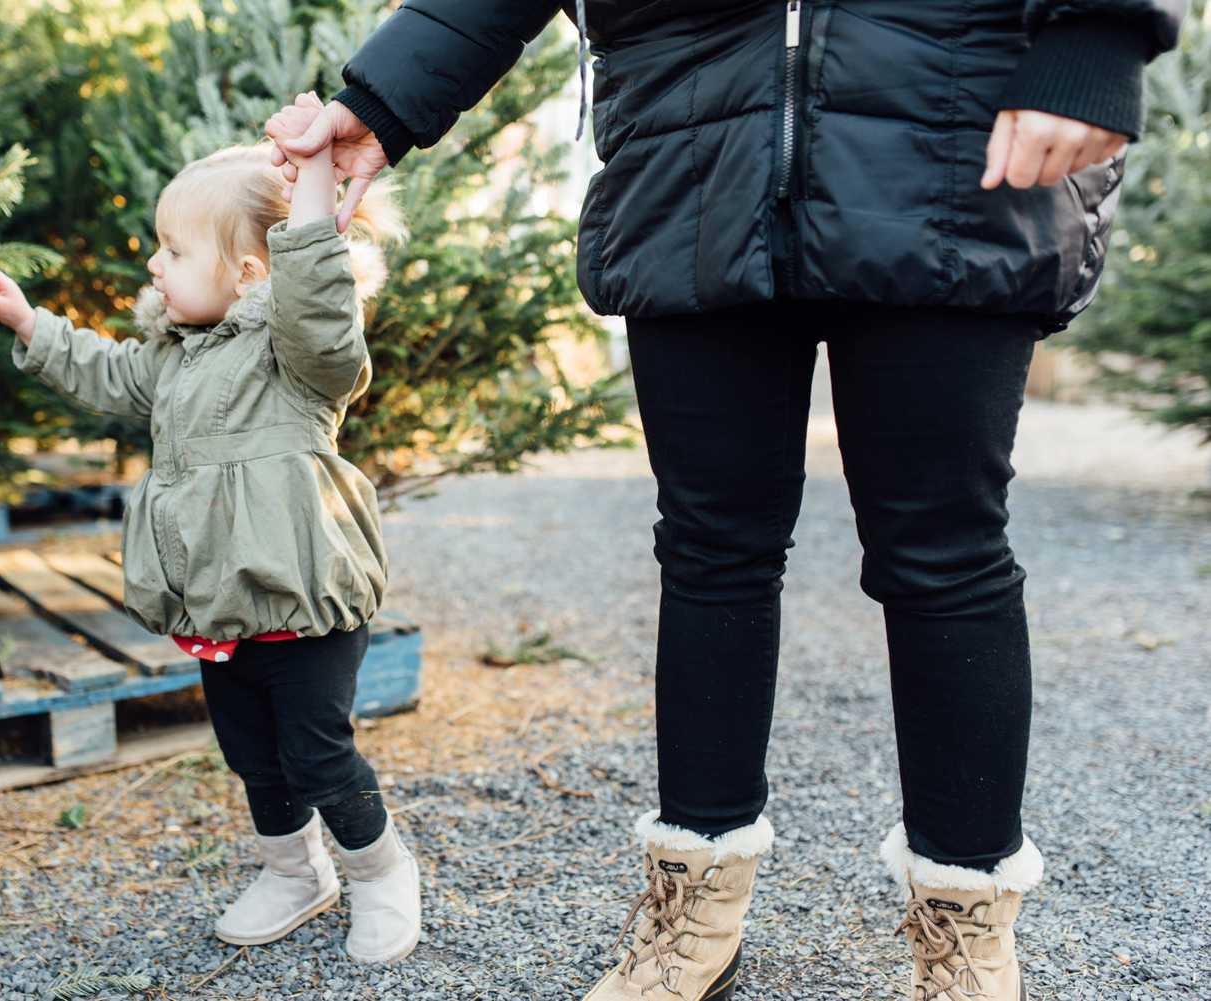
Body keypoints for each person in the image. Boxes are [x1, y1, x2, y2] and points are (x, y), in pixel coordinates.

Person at [263, 2, 1185, 998]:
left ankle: (965, 927)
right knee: (709, 548)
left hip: (949, 119)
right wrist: (385, 99)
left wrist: (1098, 39)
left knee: (946, 553)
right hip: (692, 137)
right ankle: (690, 907)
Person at [0, 96, 423, 965]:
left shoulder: (298, 358)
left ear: (252, 271)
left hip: (305, 596)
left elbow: (317, 295)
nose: (154, 262)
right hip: (217, 603)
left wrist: (317, 174)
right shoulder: (174, 357)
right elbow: (105, 369)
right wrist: (32, 324)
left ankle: (381, 872)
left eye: (175, 250)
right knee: (253, 753)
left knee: (320, 754)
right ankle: (294, 871)